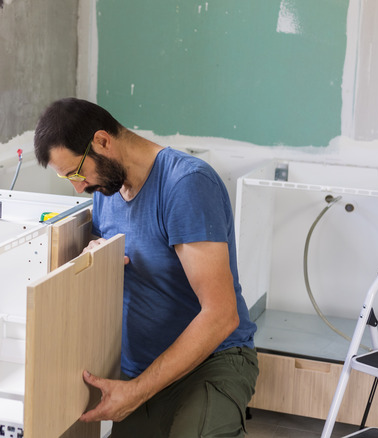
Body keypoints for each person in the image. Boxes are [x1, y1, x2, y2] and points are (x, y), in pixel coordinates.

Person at [33, 98, 258, 437]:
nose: (79, 187)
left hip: (213, 361)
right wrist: (98, 259)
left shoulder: (186, 184)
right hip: (145, 367)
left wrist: (136, 392)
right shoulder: (106, 191)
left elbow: (222, 315)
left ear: (103, 141)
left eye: (77, 174)